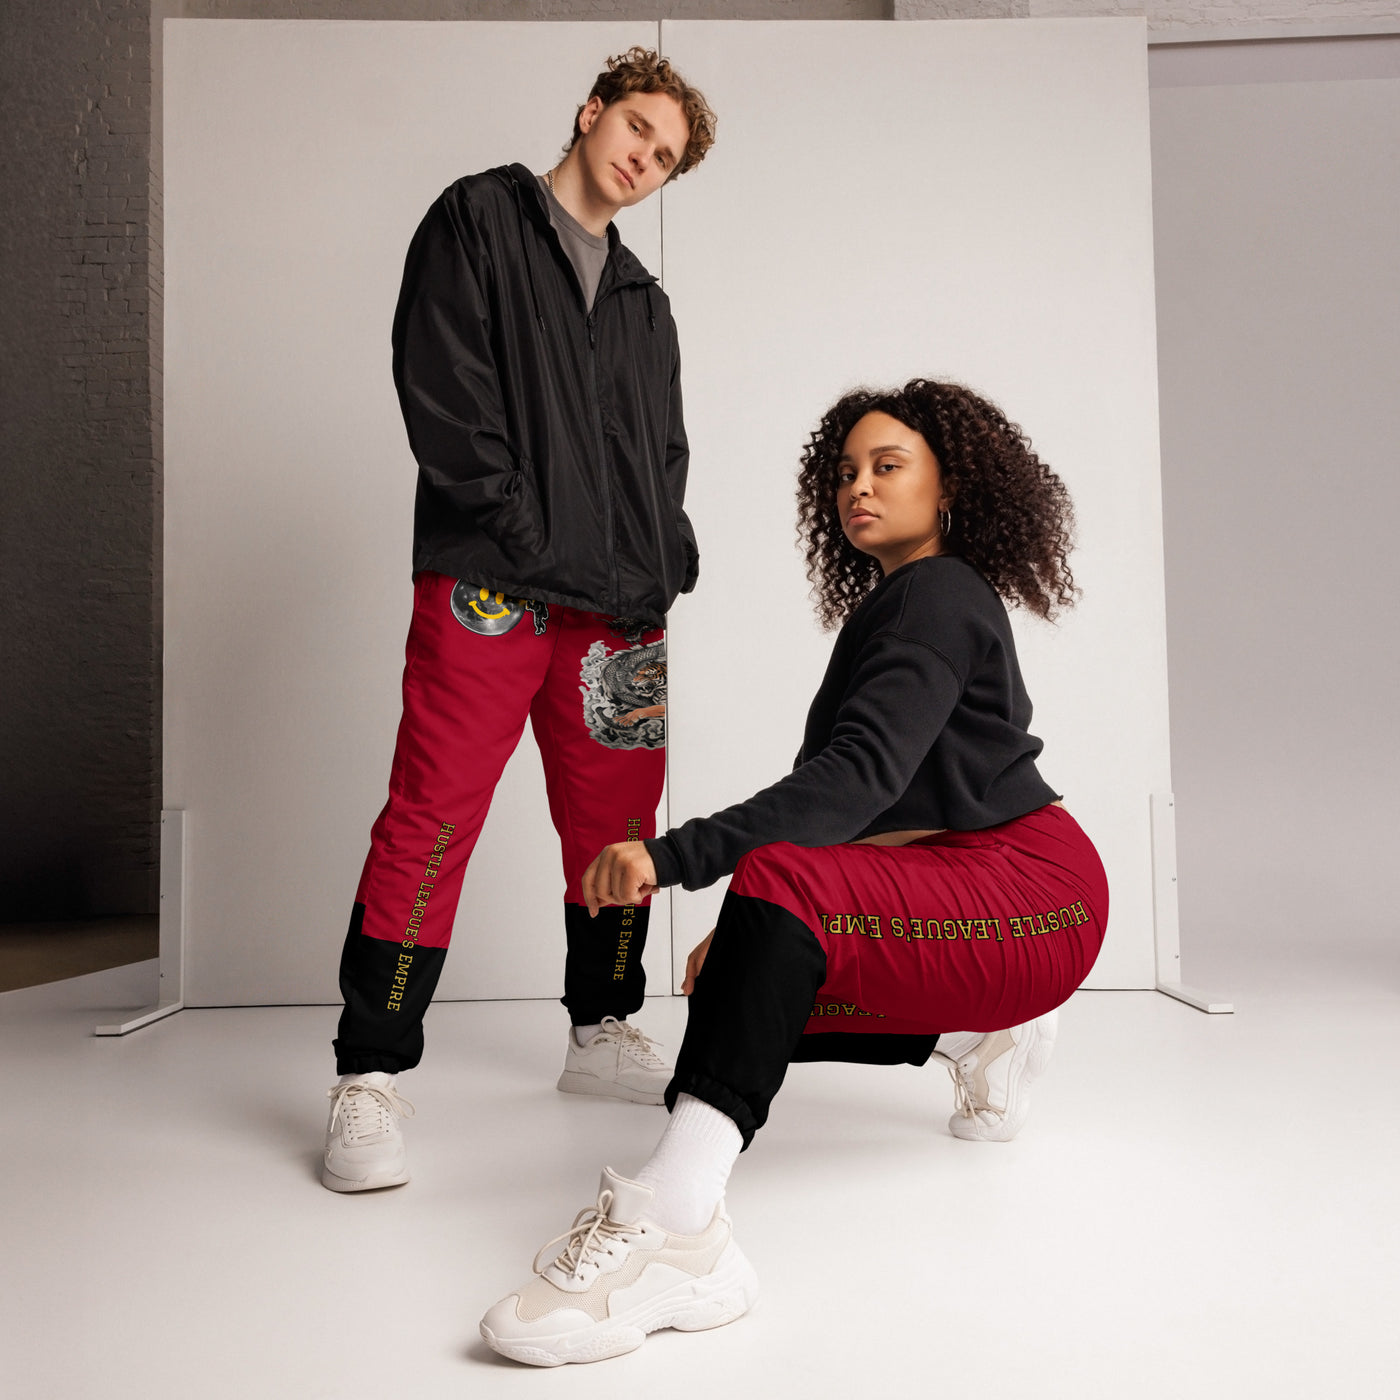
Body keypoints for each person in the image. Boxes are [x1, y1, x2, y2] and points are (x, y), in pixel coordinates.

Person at [478, 378, 1109, 1364]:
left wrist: (673, 856)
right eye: (845, 472)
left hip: (1034, 894)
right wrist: (746, 932)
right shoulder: (900, 604)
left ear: (949, 487)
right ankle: (982, 1035)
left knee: (777, 892)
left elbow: (852, 784)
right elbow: (872, 810)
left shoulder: (938, 596)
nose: (858, 487)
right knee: (744, 977)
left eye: (887, 466)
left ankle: (680, 1229)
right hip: (982, 895)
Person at [321, 49, 717, 1194]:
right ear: (592, 111)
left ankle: (600, 1028)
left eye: (664, 156)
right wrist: (526, 532)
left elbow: (663, 452)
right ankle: (369, 1070)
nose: (642, 158)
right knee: (434, 812)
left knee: (619, 823)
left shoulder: (644, 302)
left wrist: (667, 549)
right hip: (492, 584)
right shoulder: (479, 220)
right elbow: (442, 386)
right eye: (636, 128)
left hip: (620, 611)